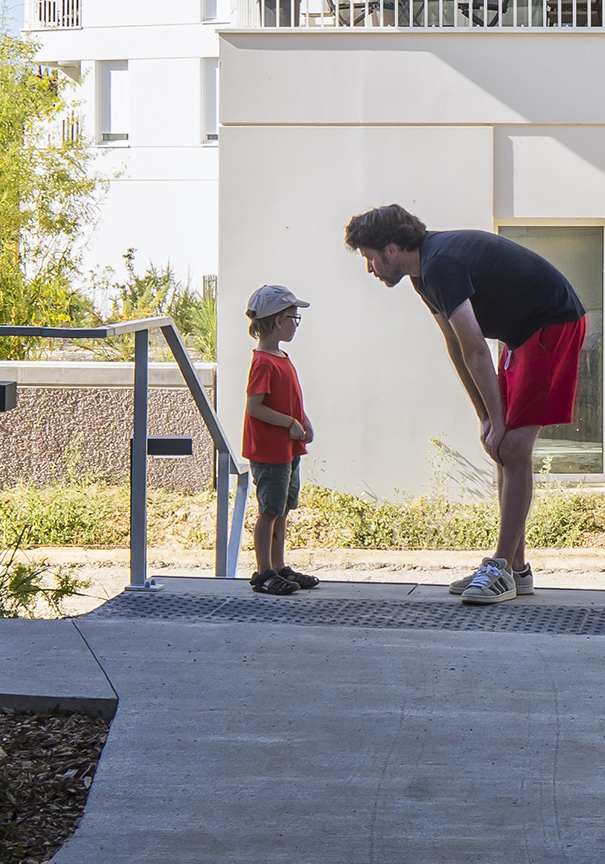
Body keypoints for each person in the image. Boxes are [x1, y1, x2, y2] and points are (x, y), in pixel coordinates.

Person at [345, 204, 585, 605]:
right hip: (522, 335)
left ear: (390, 249)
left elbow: (476, 347)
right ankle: (515, 570)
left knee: (513, 447)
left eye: (370, 258)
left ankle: (501, 567)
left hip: (552, 324)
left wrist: (497, 420)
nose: (369, 268)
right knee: (500, 448)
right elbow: (455, 345)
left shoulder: (440, 265)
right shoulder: (422, 277)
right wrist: (485, 418)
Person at [243, 284, 320, 597]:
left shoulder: (282, 357)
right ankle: (264, 572)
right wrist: (290, 423)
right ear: (277, 321)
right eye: (293, 318)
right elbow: (255, 406)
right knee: (269, 510)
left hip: (288, 449)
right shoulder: (263, 361)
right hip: (270, 451)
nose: (295, 323)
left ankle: (278, 565)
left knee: (282, 509)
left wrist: (304, 421)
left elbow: (291, 399)